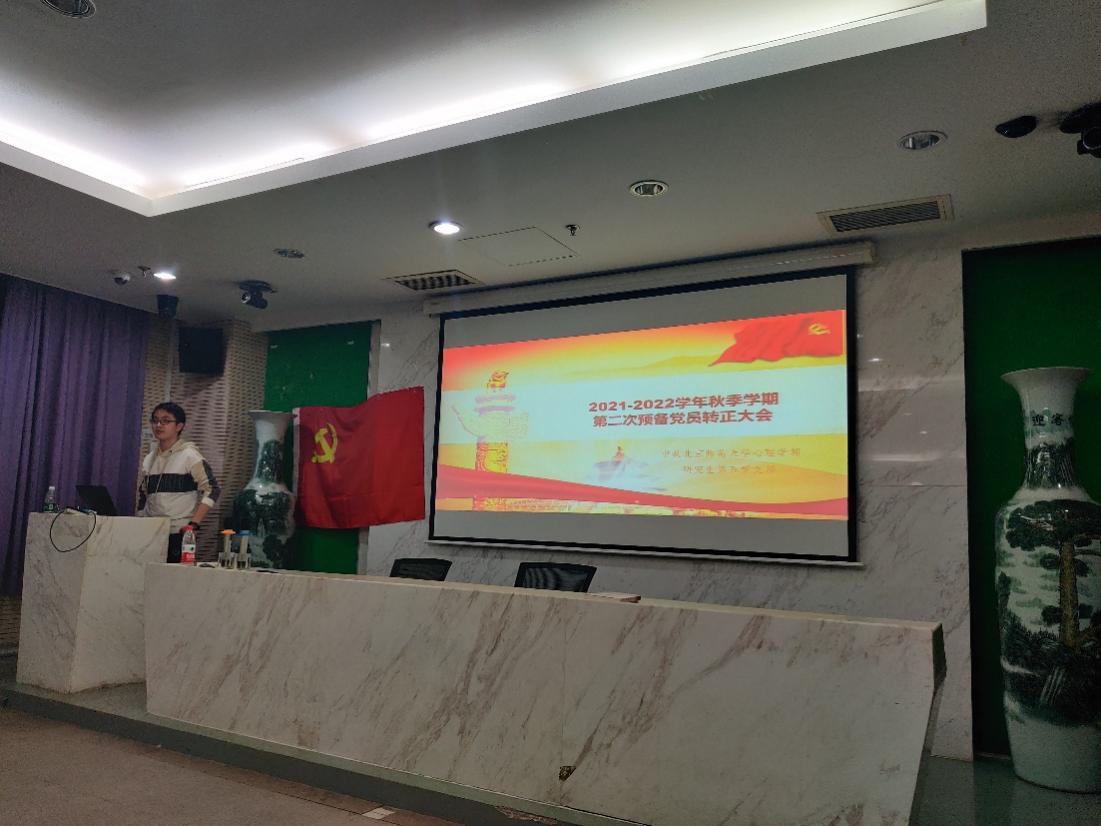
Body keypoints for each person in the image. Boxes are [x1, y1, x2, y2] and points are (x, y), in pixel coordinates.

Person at [138, 402, 221, 563]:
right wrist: (140, 519)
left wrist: (194, 524)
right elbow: (144, 495)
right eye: (155, 420)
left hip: (179, 531)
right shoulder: (150, 458)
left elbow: (213, 489)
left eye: (165, 421)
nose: (158, 425)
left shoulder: (190, 455)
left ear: (179, 426)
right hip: (151, 531)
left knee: (174, 576)